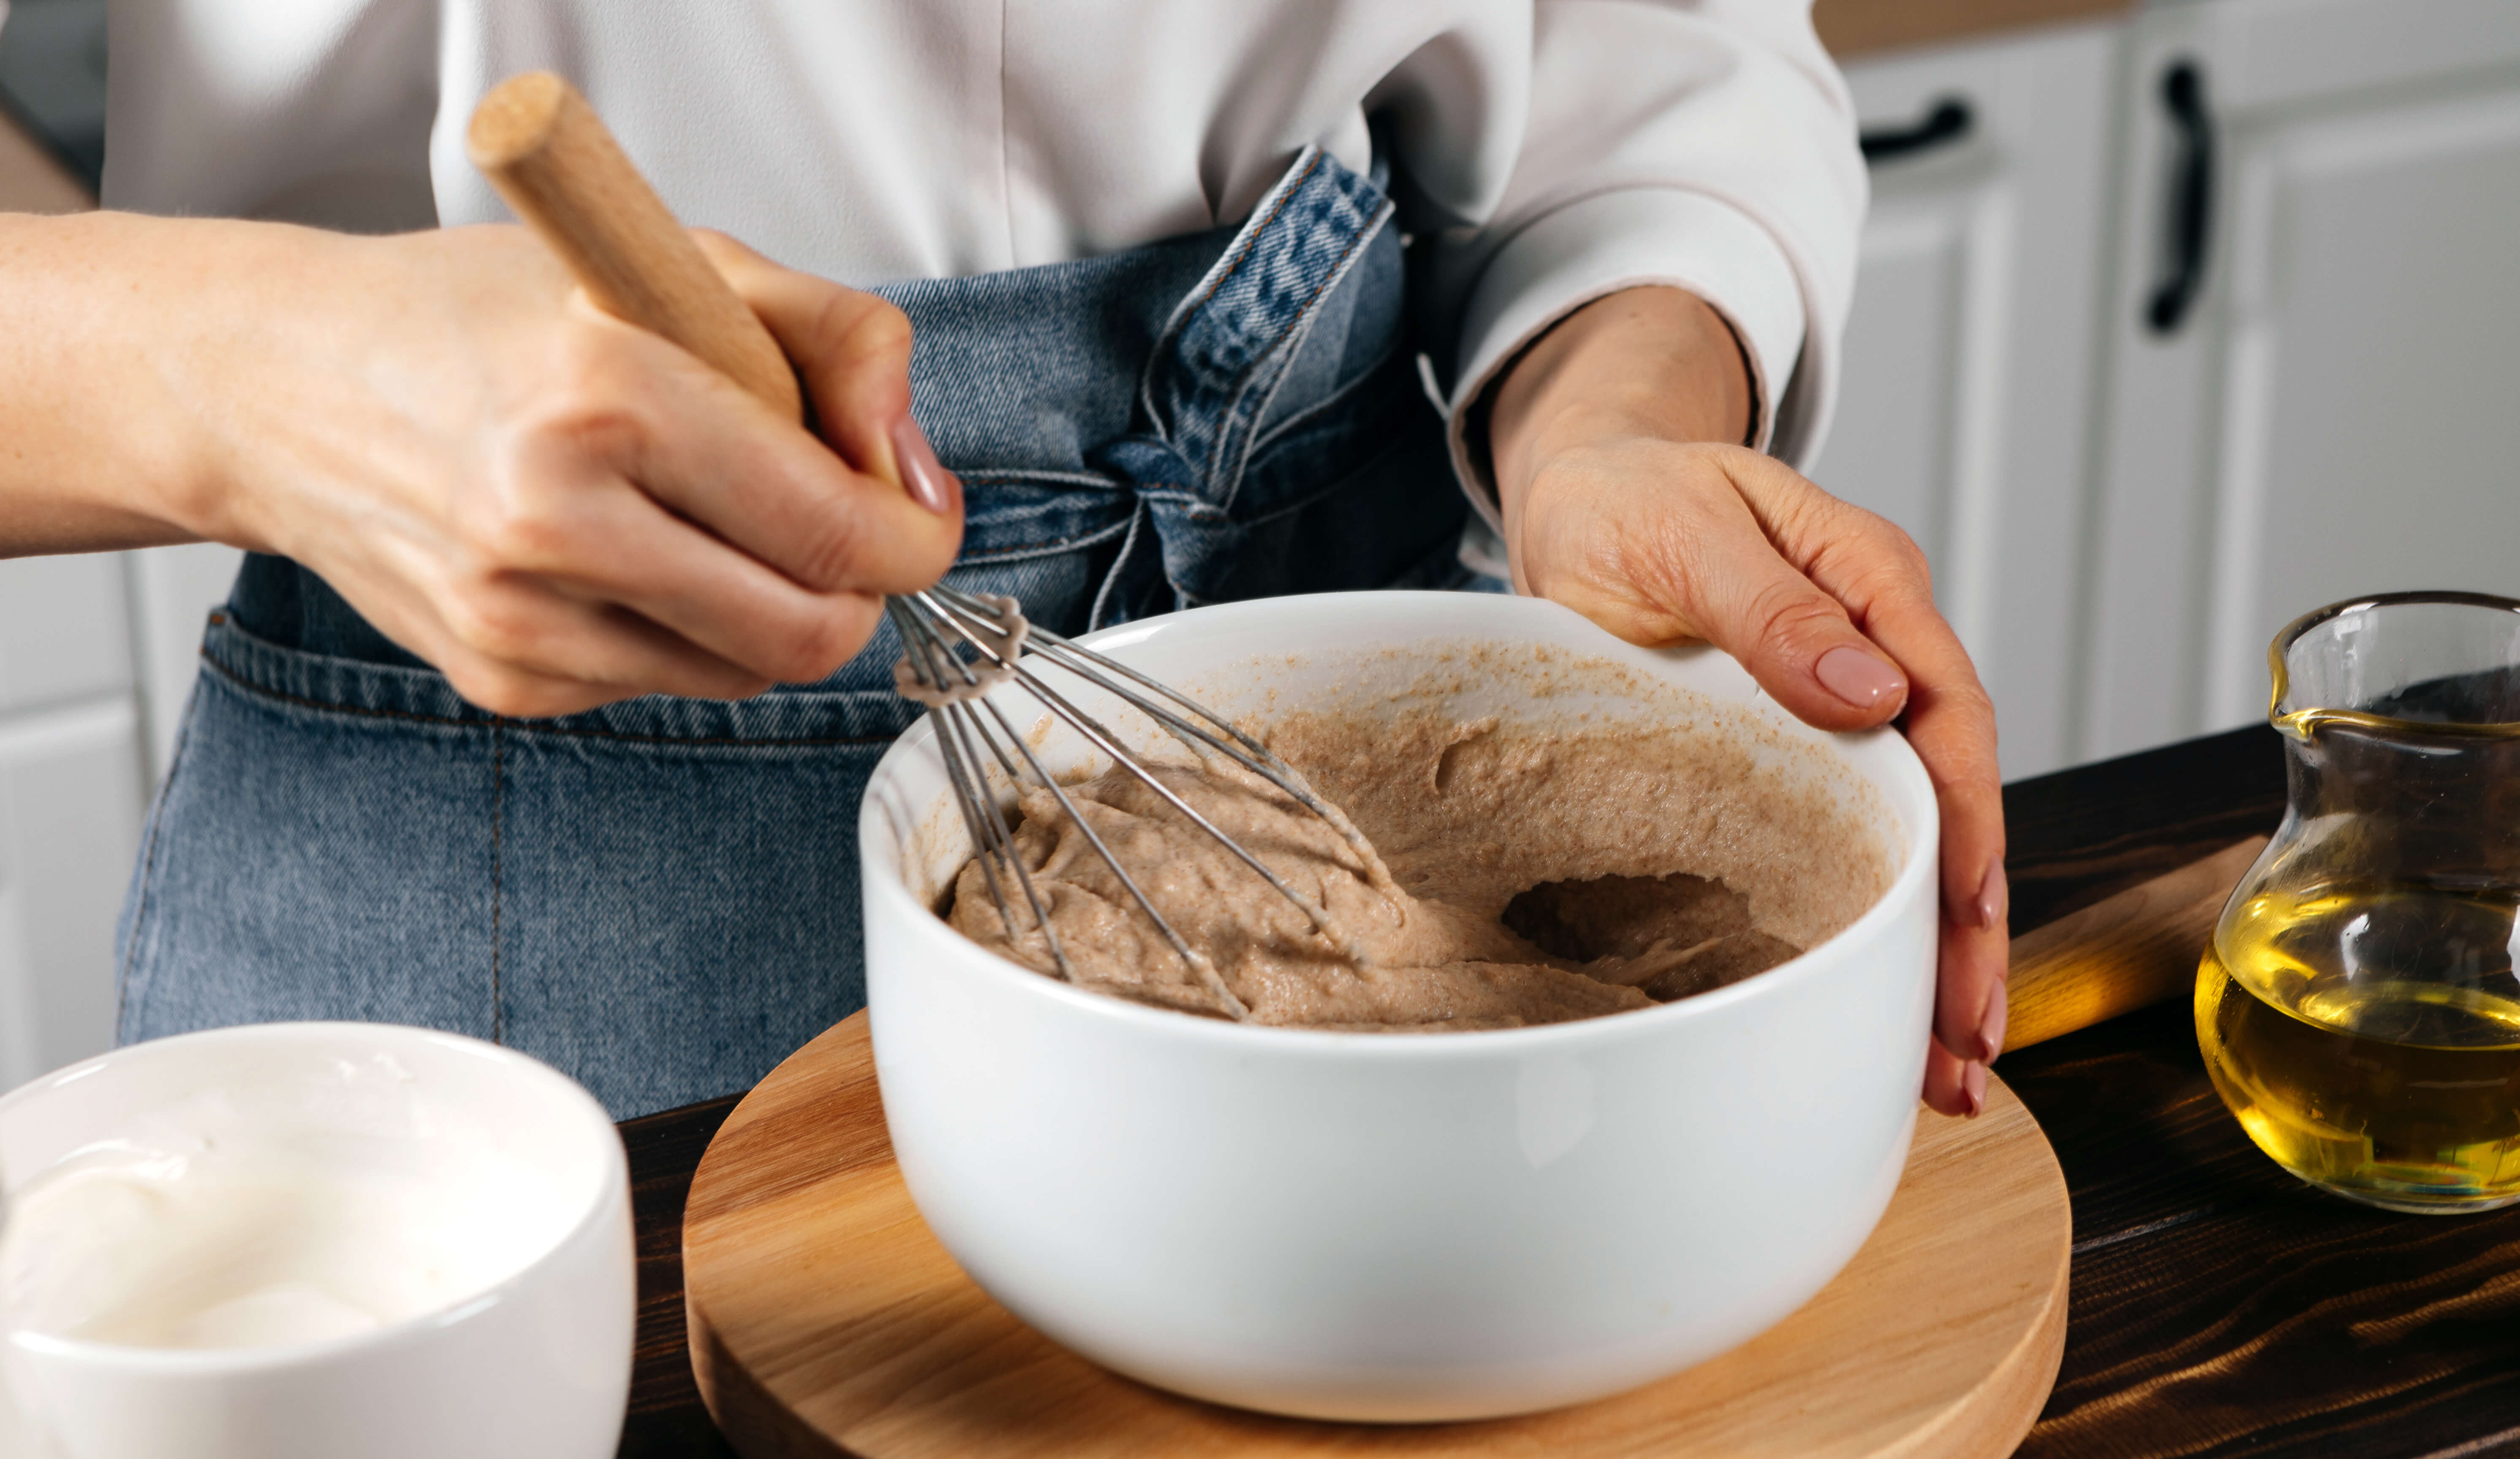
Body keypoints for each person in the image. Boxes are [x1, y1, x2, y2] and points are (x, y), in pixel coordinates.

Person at [0, 1, 2005, 1118]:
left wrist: (1615, 423)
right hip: (503, 938)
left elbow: (1625, 55)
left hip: (1361, 764)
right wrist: (238, 370)